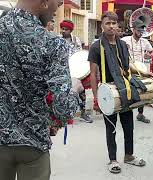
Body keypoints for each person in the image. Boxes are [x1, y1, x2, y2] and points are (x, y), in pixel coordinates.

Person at [0, 0, 80, 180]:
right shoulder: (53, 44)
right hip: (33, 145)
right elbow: (64, 109)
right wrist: (74, 89)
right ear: (44, 3)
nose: (58, 7)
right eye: (57, 2)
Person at [88, 11, 153, 174]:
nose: (111, 26)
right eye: (107, 23)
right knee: (111, 127)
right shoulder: (96, 46)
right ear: (102, 26)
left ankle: (129, 156)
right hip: (107, 92)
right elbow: (93, 73)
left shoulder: (123, 45)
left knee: (128, 125)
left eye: (113, 23)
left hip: (125, 89)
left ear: (118, 25)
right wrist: (97, 98)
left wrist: (145, 74)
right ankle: (113, 159)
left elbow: (128, 65)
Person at [121, 19, 153, 123]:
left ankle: (140, 114)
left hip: (142, 70)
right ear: (134, 29)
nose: (141, 33)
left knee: (143, 91)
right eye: (139, 30)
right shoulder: (125, 40)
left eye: (142, 31)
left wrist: (150, 55)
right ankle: (124, 112)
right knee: (127, 90)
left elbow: (152, 52)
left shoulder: (145, 41)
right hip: (129, 69)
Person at [60, 19, 93, 123]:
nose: (63, 31)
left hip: (76, 71)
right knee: (65, 93)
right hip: (63, 70)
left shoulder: (77, 40)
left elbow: (80, 55)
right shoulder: (57, 39)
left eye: (66, 29)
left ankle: (84, 113)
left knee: (82, 92)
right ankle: (66, 116)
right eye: (62, 28)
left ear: (70, 30)